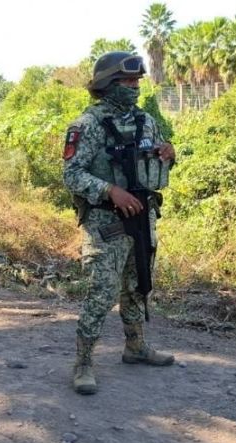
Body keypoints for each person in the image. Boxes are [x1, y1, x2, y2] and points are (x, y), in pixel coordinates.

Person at [62, 51, 176, 395]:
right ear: (107, 84)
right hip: (105, 223)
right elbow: (72, 174)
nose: (134, 87)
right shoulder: (88, 125)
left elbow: (155, 160)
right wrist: (110, 190)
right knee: (102, 292)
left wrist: (169, 154)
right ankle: (83, 364)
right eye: (127, 81)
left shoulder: (146, 120)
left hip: (142, 218)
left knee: (138, 284)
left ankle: (135, 347)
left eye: (137, 81)